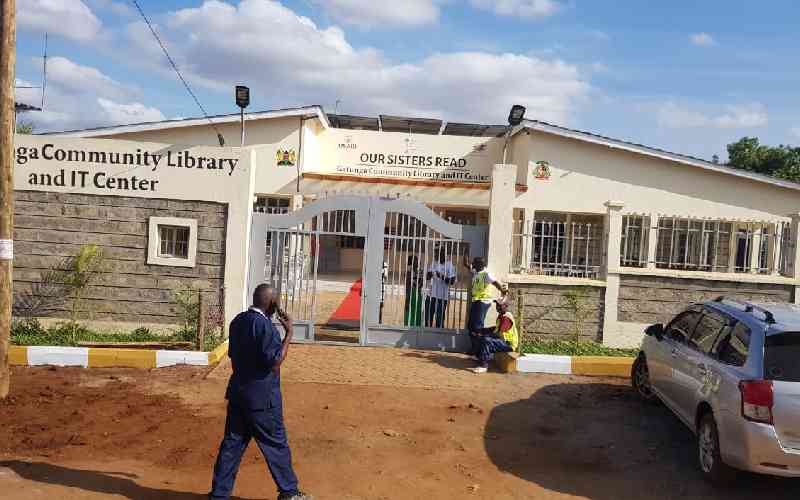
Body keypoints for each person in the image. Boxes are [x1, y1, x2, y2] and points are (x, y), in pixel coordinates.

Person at [209, 284, 311, 500]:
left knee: (232, 446)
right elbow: (275, 362)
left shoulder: (238, 321)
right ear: (272, 304)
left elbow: (234, 354)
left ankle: (219, 495)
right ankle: (290, 492)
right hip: (262, 401)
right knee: (276, 444)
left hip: (238, 394)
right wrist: (289, 333)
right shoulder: (265, 328)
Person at [463, 255, 507, 355]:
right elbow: (465, 264)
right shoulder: (476, 272)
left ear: (479, 265)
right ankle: (474, 348)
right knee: (471, 326)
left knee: (477, 326)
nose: (472, 264)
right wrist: (465, 248)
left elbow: (495, 282)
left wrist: (502, 290)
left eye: (474, 263)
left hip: (483, 302)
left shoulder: (486, 274)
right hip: (476, 301)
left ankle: (479, 350)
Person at [472, 300, 519, 374]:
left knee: (486, 340)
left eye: (500, 305)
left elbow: (498, 333)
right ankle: (480, 357)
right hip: (502, 341)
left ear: (506, 306)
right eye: (497, 305)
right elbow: (495, 328)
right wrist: (481, 331)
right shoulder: (501, 315)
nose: (498, 307)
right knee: (480, 336)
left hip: (508, 344)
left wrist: (484, 334)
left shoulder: (506, 318)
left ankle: (484, 366)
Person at [425, 247, 456, 328]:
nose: (435, 256)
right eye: (435, 254)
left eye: (436, 254)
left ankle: (439, 336)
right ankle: (428, 335)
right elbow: (427, 277)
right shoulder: (434, 263)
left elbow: (452, 281)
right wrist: (429, 274)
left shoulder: (449, 265)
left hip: (442, 297)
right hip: (431, 295)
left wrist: (441, 276)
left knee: (439, 320)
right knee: (428, 319)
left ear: (442, 254)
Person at [404, 255, 423, 327]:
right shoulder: (409, 273)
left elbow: (421, 285)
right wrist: (407, 299)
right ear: (412, 262)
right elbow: (408, 287)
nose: (418, 261)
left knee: (417, 315)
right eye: (416, 260)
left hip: (418, 295)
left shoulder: (420, 272)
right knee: (410, 315)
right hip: (411, 296)